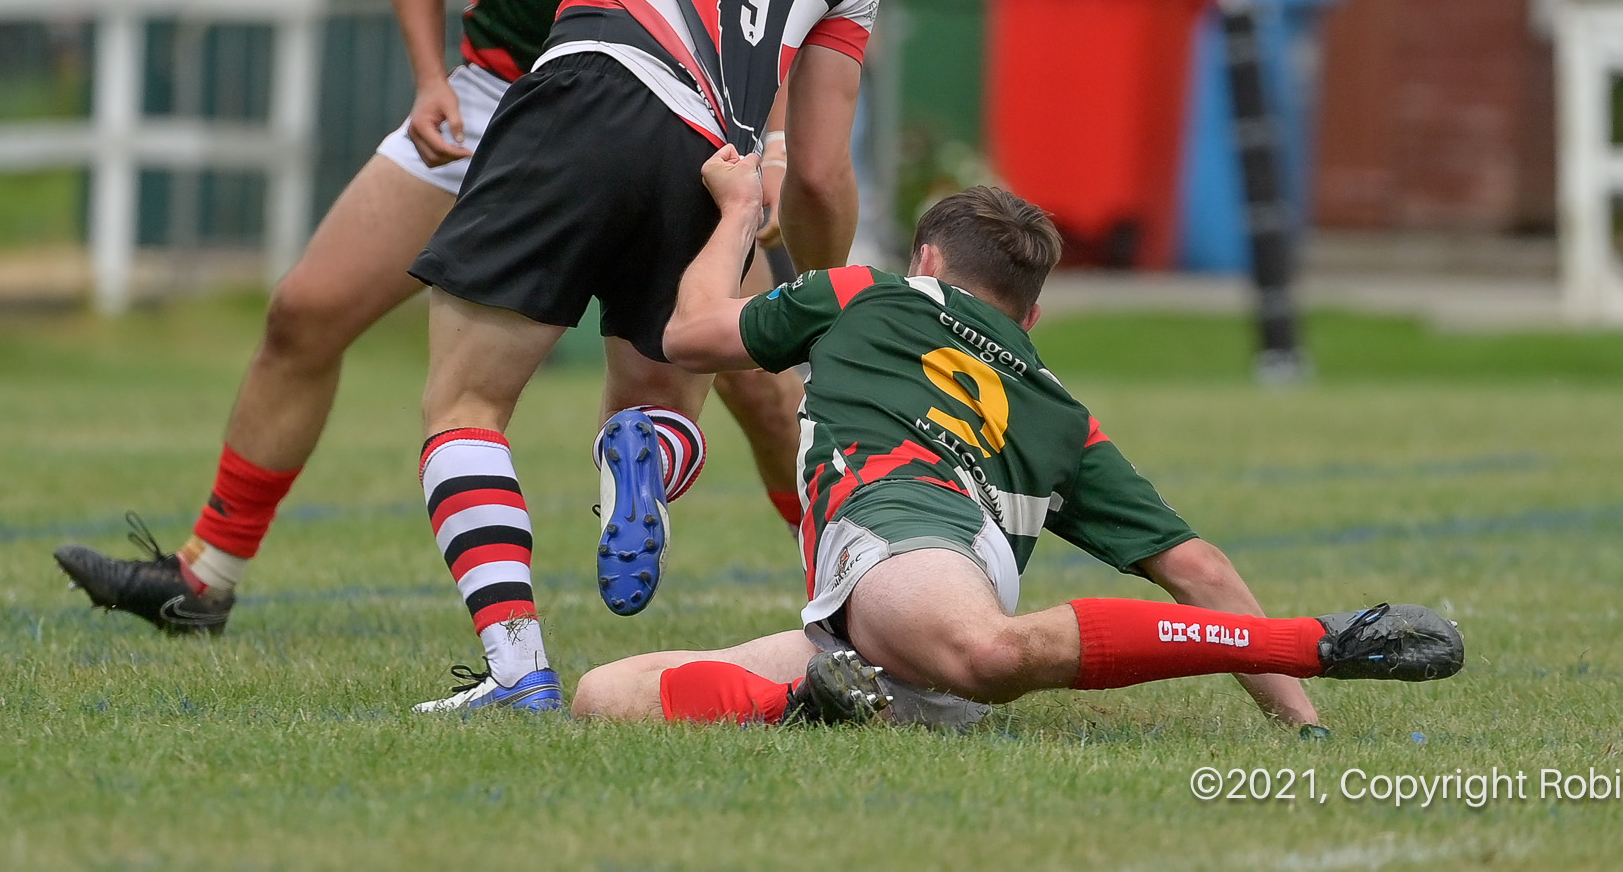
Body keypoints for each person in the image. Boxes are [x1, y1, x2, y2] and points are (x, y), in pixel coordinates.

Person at [53, 0, 808, 637]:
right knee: (303, 311)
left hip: (664, 118)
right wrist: (425, 78)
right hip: (500, 97)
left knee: (760, 388)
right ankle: (204, 577)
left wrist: (763, 136)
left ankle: (852, 602)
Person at [567, 173, 1464, 729]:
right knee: (607, 695)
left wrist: (735, 212)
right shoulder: (1061, 412)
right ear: (1030, 315)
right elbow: (1202, 570)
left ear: (925, 260)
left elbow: (688, 333)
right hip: (882, 613)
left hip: (903, 540)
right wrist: (1298, 727)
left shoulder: (864, 291)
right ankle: (820, 702)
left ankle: (1324, 638)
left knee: (986, 654)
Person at [403, 0, 880, 711]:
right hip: (718, 159)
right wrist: (822, 283)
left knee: (466, 405)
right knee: (664, 402)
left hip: (588, 87)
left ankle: (517, 666)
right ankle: (645, 465)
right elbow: (823, 173)